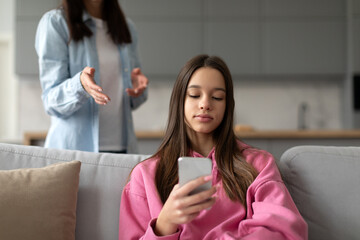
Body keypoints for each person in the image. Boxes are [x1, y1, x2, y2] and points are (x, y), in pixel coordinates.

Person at [119, 55, 308, 239]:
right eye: (194, 95)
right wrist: (164, 223)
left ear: (228, 105)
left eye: (217, 97)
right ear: (179, 101)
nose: (205, 104)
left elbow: (283, 230)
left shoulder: (259, 164)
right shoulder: (145, 175)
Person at [35, 0, 148, 153]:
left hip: (124, 151)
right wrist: (80, 85)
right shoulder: (55, 23)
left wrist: (138, 88)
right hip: (74, 153)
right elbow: (51, 101)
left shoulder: (127, 27)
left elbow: (133, 98)